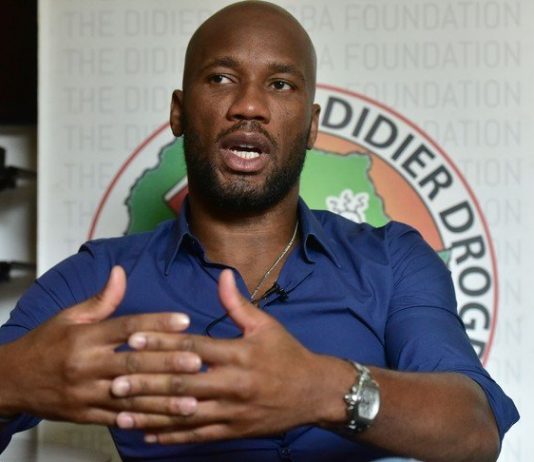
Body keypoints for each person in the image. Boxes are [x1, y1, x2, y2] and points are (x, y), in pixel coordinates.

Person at [0, 1, 519, 461]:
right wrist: (13, 380)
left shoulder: (392, 260)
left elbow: (474, 429)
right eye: (221, 78)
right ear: (179, 112)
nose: (248, 105)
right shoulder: (97, 278)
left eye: (280, 84)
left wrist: (322, 389)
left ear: (312, 124)